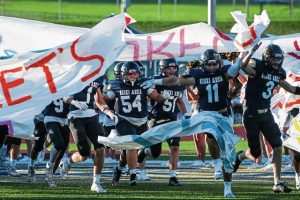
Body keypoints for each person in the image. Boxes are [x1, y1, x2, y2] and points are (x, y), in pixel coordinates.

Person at [141, 48, 247, 198]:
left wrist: (245, 54)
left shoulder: (224, 71)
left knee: (228, 155)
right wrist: (155, 81)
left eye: (214, 64)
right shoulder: (197, 74)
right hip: (206, 114)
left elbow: (237, 68)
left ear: (219, 63)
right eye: (208, 65)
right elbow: (176, 80)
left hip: (223, 115)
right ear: (203, 65)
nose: (211, 68)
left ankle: (227, 188)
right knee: (201, 132)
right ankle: (216, 164)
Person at [232, 43, 300, 193]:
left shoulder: (280, 72)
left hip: (266, 114)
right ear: (266, 58)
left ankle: (277, 183)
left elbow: (289, 88)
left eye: (278, 59)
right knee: (256, 153)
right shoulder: (257, 65)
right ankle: (241, 156)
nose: (276, 62)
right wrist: (250, 52)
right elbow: (244, 67)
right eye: (273, 59)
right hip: (251, 114)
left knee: (277, 145)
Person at [96, 61, 169, 186]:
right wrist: (107, 111)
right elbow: (103, 100)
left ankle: (118, 168)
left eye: (135, 74)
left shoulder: (143, 84)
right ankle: (133, 175)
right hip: (124, 120)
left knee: (128, 154)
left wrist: (163, 97)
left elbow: (156, 97)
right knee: (132, 145)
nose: (133, 77)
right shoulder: (117, 85)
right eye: (130, 74)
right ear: (124, 75)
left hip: (141, 121)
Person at [137, 58, 188, 186]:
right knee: (155, 153)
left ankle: (173, 176)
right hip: (156, 119)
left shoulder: (179, 82)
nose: (172, 70)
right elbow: (146, 98)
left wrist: (186, 115)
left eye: (174, 68)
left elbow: (180, 101)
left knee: (175, 147)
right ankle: (144, 151)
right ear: (162, 69)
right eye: (169, 68)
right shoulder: (155, 81)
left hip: (172, 120)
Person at [63, 75, 107, 193]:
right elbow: (63, 94)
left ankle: (96, 183)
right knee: (85, 154)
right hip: (76, 116)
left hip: (92, 115)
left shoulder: (98, 76)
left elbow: (99, 99)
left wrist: (108, 111)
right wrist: (74, 102)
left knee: (100, 147)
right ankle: (69, 161)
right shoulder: (77, 71)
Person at [43, 98, 70, 187]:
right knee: (59, 144)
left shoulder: (68, 86)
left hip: (65, 120)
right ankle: (49, 164)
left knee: (61, 151)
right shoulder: (49, 86)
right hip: (51, 118)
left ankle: (50, 176)